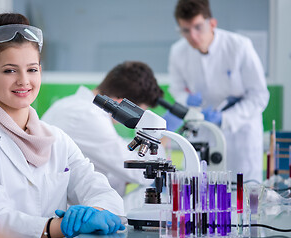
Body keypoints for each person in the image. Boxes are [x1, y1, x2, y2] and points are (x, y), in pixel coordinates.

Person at [0, 13, 124, 238]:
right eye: (10, 70)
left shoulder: (58, 139)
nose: (24, 81)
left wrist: (96, 212)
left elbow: (100, 189)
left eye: (32, 69)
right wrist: (61, 227)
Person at [167, 0, 269, 182]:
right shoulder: (178, 52)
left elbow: (259, 96)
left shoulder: (239, 46)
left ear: (212, 23)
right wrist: (186, 99)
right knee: (197, 188)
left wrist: (225, 118)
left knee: (242, 191)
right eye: (185, 30)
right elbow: (176, 89)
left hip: (240, 132)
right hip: (202, 130)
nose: (193, 36)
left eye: (198, 27)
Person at [42, 61, 164, 196]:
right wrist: (160, 142)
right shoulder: (89, 115)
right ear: (123, 105)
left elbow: (103, 167)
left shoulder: (68, 104)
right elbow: (142, 173)